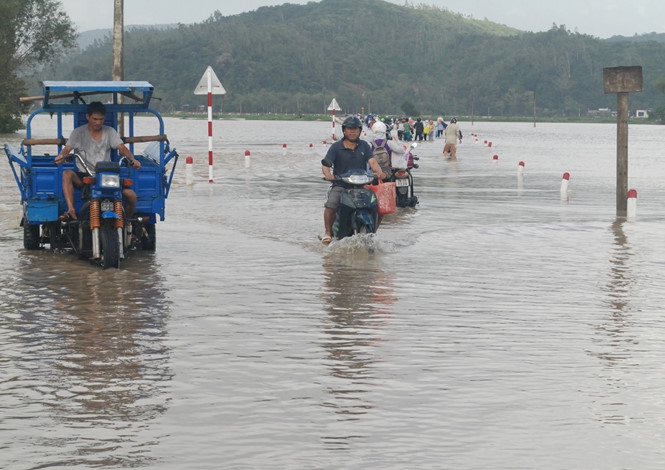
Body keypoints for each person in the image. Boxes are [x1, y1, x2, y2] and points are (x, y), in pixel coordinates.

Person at [54, 101, 141, 220]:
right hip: (85, 176)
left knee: (131, 196)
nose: (98, 122)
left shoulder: (110, 131)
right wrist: (61, 157)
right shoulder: (78, 132)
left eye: (101, 119)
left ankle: (126, 222)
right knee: (66, 173)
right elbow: (67, 149)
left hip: (107, 176)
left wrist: (132, 159)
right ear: (88, 117)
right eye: (95, 119)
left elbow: (122, 148)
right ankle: (71, 209)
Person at [320, 115, 387, 245]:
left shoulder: (365, 146)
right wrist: (328, 174)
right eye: (349, 128)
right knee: (331, 203)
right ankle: (328, 233)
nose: (352, 131)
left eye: (355, 129)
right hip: (341, 185)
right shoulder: (335, 147)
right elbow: (326, 164)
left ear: (360, 130)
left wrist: (379, 172)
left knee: (380, 207)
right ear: (344, 130)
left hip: (361, 186)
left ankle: (373, 231)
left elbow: (372, 162)